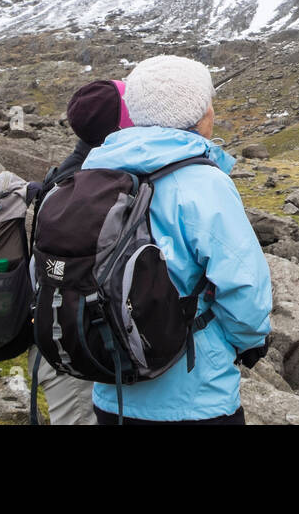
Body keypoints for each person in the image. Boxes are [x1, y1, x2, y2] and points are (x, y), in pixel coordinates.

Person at [78, 55, 273, 424]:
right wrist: (248, 344)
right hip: (195, 396)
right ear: (200, 114)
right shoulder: (204, 184)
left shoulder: (94, 172)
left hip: (111, 392)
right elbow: (245, 289)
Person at [28, 79, 133, 425]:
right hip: (73, 342)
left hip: (64, 332)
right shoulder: (93, 185)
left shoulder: (71, 175)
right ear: (118, 124)